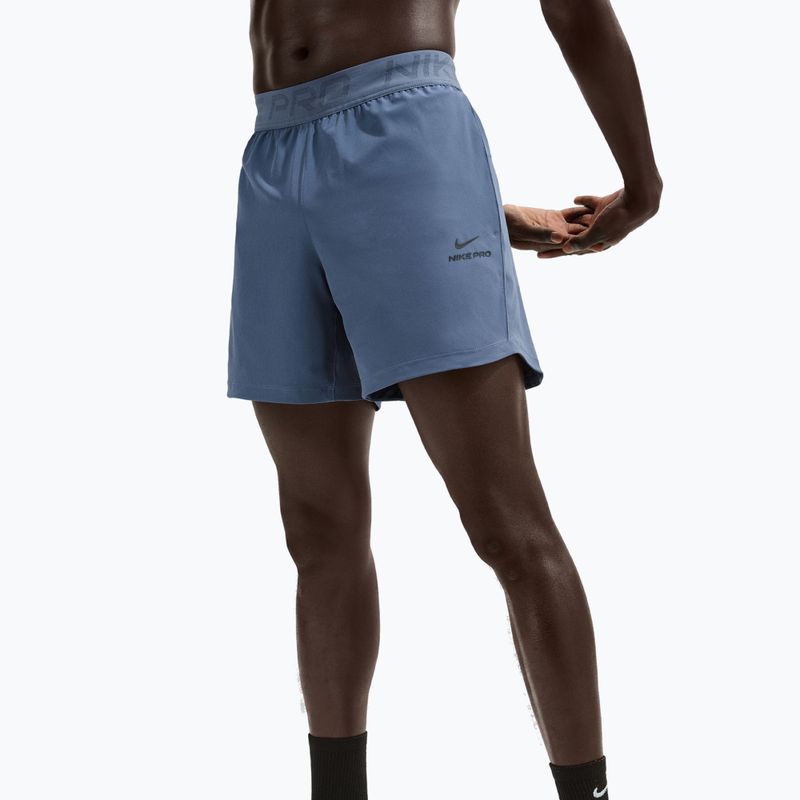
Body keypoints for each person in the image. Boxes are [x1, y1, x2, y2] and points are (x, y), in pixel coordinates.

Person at [226, 1, 662, 798]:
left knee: (506, 524)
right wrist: (474, 211)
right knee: (318, 532)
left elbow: (574, 9)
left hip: (403, 128)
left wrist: (641, 185)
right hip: (274, 156)